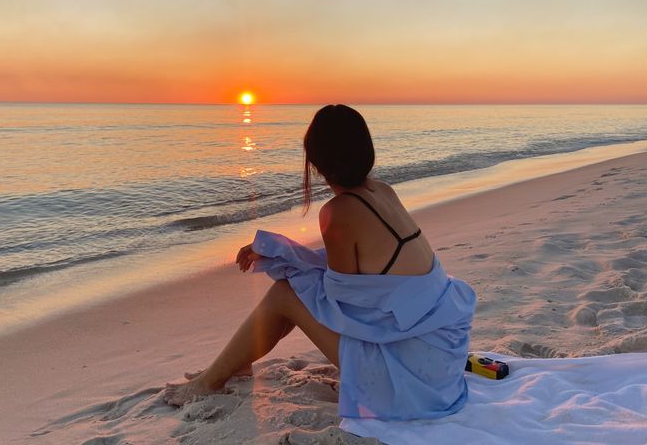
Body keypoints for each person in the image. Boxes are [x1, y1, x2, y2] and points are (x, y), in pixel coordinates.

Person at [164, 105, 476, 422]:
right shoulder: (382, 191)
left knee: (284, 294)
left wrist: (282, 262)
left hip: (408, 382)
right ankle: (236, 362)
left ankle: (210, 381)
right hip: (438, 364)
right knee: (292, 289)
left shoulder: (339, 212)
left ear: (316, 163)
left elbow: (337, 302)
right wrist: (279, 253)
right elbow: (358, 276)